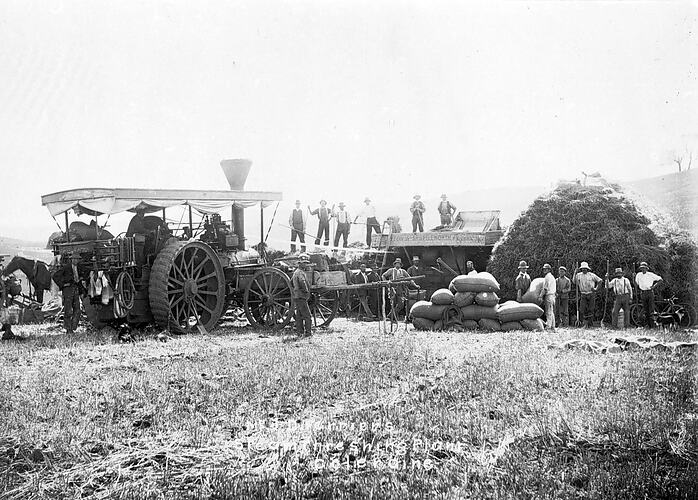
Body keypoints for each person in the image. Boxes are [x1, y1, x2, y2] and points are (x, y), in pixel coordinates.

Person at [52, 252, 84, 334]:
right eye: (74, 259)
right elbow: (55, 276)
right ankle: (68, 329)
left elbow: (80, 279)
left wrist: (81, 290)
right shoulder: (66, 268)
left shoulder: (79, 268)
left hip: (76, 289)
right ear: (71, 260)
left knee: (78, 310)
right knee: (68, 310)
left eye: (77, 259)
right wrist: (62, 285)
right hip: (68, 290)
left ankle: (73, 327)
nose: (76, 261)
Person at [572, 261, 602, 328]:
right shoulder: (578, 275)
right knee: (581, 310)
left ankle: (590, 324)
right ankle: (581, 323)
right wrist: (575, 272)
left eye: (585, 268)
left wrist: (596, 289)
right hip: (583, 294)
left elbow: (600, 281)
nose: (584, 269)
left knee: (591, 309)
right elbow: (574, 282)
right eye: (582, 268)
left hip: (591, 294)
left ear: (587, 269)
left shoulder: (592, 275)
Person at [634, 261, 662, 328]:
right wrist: (633, 277)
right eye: (642, 268)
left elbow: (660, 279)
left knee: (651, 310)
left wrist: (653, 286)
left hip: (650, 292)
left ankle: (652, 326)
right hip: (643, 293)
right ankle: (647, 325)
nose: (643, 269)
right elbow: (635, 284)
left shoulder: (650, 274)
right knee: (645, 310)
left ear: (646, 268)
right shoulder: (638, 275)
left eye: (644, 268)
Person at [291, 253, 312, 337]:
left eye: (306, 262)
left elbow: (291, 282)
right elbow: (302, 282)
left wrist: (296, 290)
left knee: (299, 316)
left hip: (297, 296)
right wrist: (306, 291)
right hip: (301, 296)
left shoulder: (296, 272)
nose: (306, 264)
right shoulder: (300, 273)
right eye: (305, 263)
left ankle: (300, 333)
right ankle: (308, 333)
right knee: (307, 316)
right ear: (300, 263)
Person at [539, 263, 557, 331]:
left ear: (549, 270)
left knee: (548, 311)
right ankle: (552, 326)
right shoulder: (552, 277)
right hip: (553, 296)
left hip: (549, 295)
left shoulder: (547, 277)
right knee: (551, 311)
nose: (544, 270)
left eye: (546, 269)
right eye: (544, 269)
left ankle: (549, 326)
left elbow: (545, 288)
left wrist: (540, 296)